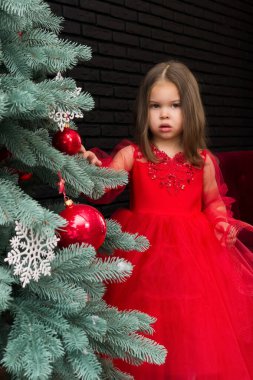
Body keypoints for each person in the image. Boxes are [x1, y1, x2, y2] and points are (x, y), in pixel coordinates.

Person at [80, 61, 253, 379]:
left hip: (194, 259)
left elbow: (213, 202)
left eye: (174, 106)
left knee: (191, 325)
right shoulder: (134, 155)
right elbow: (105, 185)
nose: (164, 114)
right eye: (155, 106)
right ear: (144, 111)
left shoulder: (202, 160)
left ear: (191, 110)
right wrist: (91, 167)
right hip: (142, 254)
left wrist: (221, 223)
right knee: (144, 322)